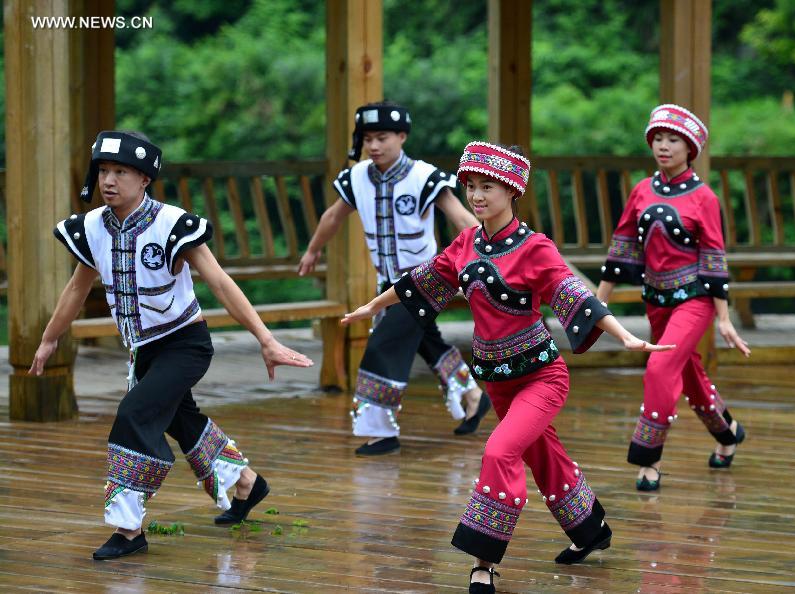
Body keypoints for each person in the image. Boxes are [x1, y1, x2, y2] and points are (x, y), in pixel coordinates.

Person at [342, 141, 674, 593]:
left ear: (512, 191)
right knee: (544, 456)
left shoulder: (535, 247)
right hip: (496, 380)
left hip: (541, 376)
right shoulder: (465, 243)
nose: (477, 196)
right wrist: (369, 307)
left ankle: (484, 562)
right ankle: (590, 532)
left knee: (499, 452)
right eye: (472, 187)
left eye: (488, 188)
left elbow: (574, 295)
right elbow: (420, 282)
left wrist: (626, 336)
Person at [30, 131, 313, 560]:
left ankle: (128, 529)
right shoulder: (92, 228)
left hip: (185, 345)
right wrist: (49, 338)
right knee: (182, 422)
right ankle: (246, 484)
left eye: (120, 172)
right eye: (103, 171)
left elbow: (219, 282)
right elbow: (75, 288)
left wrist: (266, 339)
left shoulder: (171, 224)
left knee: (135, 413)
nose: (108, 180)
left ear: (144, 179)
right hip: (143, 350)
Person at [298, 102, 489, 456]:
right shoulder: (356, 178)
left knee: (384, 345)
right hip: (386, 283)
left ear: (401, 137)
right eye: (368, 138)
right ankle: (471, 394)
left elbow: (461, 219)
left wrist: (493, 253)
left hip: (427, 279)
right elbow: (333, 217)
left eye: (382, 137)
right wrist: (312, 251)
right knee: (425, 340)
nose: (374, 146)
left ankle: (380, 430)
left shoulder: (424, 176)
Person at [596, 104, 752, 492]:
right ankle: (728, 432)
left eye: (673, 140)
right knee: (688, 372)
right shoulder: (641, 191)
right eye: (658, 139)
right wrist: (597, 305)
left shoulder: (704, 198)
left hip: (694, 298)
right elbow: (622, 249)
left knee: (659, 368)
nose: (663, 146)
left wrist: (724, 319)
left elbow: (714, 259)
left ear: (690, 148)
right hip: (656, 298)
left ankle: (649, 460)